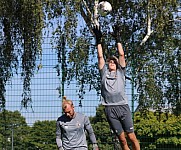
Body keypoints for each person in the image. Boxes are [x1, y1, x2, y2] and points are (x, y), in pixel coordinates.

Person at [93, 25, 140, 150]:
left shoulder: (121, 72)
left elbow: (122, 54)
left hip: (123, 107)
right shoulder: (104, 73)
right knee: (122, 140)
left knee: (131, 137)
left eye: (114, 62)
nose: (112, 63)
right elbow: (100, 57)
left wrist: (118, 39)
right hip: (110, 109)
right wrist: (98, 41)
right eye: (110, 62)